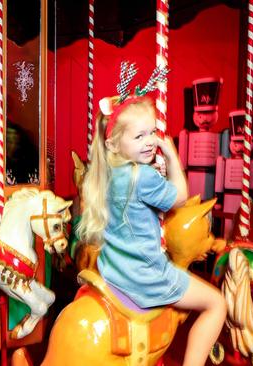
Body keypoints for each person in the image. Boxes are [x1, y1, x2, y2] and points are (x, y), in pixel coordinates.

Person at [78, 91, 227, 366]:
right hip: (144, 276)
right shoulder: (141, 175)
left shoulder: (109, 174)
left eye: (152, 133)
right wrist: (171, 156)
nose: (149, 142)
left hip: (114, 270)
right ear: (113, 144)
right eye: (139, 136)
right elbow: (181, 197)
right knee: (216, 303)